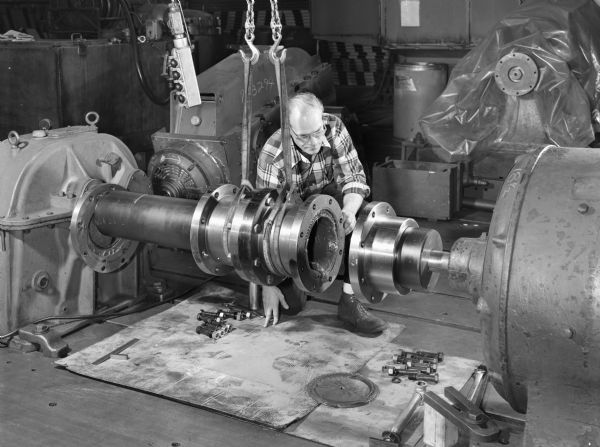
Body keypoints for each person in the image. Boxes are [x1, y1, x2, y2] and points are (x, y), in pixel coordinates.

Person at [256, 92, 388, 334]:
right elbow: (264, 223)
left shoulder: (334, 128)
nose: (314, 142)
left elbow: (354, 178)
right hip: (288, 216)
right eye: (303, 137)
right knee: (292, 306)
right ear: (289, 130)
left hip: (326, 197)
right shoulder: (273, 157)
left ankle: (349, 302)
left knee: (362, 220)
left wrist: (348, 212)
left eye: (317, 132)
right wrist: (267, 283)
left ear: (322, 121)